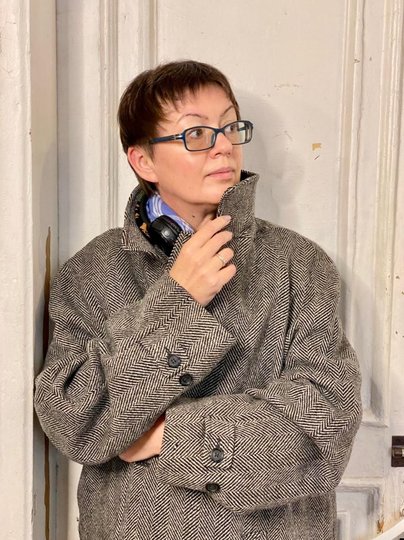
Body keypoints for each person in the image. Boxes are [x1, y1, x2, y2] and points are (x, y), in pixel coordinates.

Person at [34, 60, 362, 540]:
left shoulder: (300, 264)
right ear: (144, 161)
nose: (224, 145)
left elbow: (325, 424)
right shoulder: (91, 272)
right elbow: (73, 419)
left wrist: (170, 436)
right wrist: (178, 298)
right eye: (196, 134)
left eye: (229, 126)